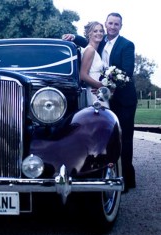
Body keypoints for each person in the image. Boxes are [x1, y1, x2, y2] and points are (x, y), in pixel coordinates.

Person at [63, 13, 137, 192]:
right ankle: (104, 174)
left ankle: (127, 179)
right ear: (106, 24)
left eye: (116, 24)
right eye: (110, 23)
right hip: (102, 96)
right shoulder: (101, 42)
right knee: (106, 137)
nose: (112, 27)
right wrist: (74, 37)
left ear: (121, 26)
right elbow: (89, 40)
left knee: (124, 138)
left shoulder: (126, 45)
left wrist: (109, 87)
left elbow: (127, 72)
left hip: (123, 99)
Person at [79, 21, 109, 107]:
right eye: (95, 31)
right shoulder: (90, 50)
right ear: (89, 33)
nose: (99, 33)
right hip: (94, 92)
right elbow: (83, 75)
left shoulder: (95, 51)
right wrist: (100, 86)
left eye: (101, 31)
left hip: (99, 92)